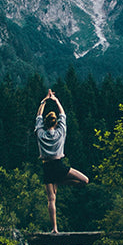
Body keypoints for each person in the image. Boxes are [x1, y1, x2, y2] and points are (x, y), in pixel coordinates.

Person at [35, 88, 88, 233]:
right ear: (56, 122)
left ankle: (54, 229)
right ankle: (61, 182)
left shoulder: (40, 133)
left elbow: (38, 116)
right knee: (85, 180)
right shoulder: (60, 132)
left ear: (45, 123)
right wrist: (56, 100)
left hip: (47, 168)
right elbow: (63, 114)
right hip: (59, 166)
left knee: (51, 200)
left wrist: (44, 101)